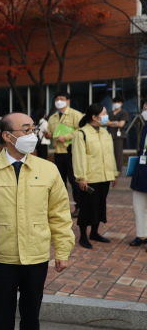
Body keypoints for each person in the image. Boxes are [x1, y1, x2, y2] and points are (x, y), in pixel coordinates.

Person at [0, 112, 74, 330]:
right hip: (0, 258)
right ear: (7, 136)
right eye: (25, 129)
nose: (32, 134)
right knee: (1, 318)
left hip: (36, 257)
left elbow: (59, 213)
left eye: (33, 128)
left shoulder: (48, 170)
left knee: (31, 317)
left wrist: (63, 250)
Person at [72, 103, 118, 249]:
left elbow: (110, 155)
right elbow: (79, 157)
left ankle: (94, 233)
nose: (106, 116)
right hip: (89, 178)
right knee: (86, 207)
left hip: (104, 177)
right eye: (104, 113)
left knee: (99, 206)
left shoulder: (105, 133)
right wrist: (82, 178)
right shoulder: (81, 134)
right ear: (94, 117)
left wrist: (114, 174)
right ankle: (83, 236)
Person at [46, 92, 83, 217]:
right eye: (56, 99)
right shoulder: (52, 117)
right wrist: (48, 135)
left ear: (68, 101)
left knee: (74, 181)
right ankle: (62, 207)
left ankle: (79, 207)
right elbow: (51, 132)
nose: (58, 101)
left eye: (61, 99)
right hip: (58, 153)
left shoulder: (75, 114)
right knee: (60, 182)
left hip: (71, 152)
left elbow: (81, 130)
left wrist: (66, 137)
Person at [130, 101, 147, 249]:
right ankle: (142, 235)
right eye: (144, 108)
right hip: (141, 172)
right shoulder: (145, 126)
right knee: (138, 206)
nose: (145, 110)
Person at [107, 96, 129, 174]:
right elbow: (105, 123)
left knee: (118, 154)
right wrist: (115, 122)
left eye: (118, 102)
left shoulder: (123, 113)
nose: (116, 104)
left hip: (119, 136)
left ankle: (118, 171)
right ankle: (110, 170)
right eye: (115, 102)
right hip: (109, 135)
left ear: (121, 103)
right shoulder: (109, 113)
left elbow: (121, 124)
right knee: (109, 154)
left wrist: (110, 123)